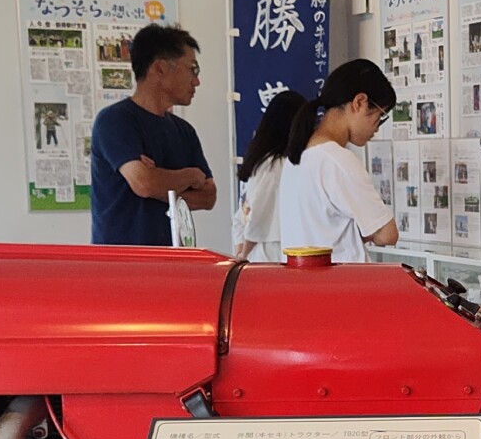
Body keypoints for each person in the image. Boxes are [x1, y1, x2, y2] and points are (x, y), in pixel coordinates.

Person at [89, 24, 216, 246]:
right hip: (123, 265)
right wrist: (190, 176)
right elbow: (144, 183)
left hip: (173, 262)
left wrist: (159, 182)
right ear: (160, 69)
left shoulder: (184, 130)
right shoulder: (115, 120)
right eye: (192, 69)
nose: (196, 81)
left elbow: (208, 196)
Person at [274, 59, 398, 263]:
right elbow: (387, 234)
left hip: (307, 285)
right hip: (343, 285)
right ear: (359, 102)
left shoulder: (299, 155)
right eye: (380, 116)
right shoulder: (338, 160)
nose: (377, 128)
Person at [231, 89, 308, 263]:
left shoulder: (268, 162)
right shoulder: (275, 165)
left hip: (265, 250)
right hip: (269, 250)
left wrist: (241, 252)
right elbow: (256, 215)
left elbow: (244, 215)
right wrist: (244, 253)